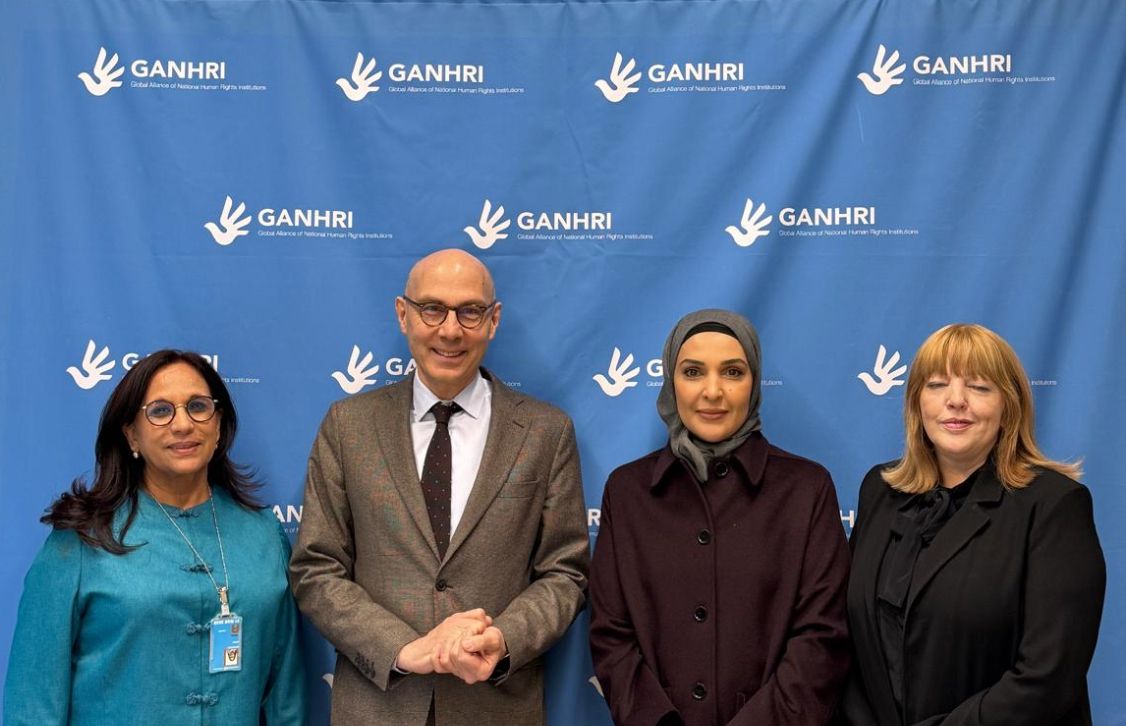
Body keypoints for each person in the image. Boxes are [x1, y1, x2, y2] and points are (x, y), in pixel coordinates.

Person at [289, 248, 590, 726]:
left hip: (495, 708)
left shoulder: (545, 432)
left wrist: (503, 639)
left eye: (470, 311)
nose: (450, 330)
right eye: (432, 309)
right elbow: (317, 569)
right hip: (377, 708)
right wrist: (407, 649)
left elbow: (565, 572)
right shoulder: (348, 427)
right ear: (403, 315)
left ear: (494, 320)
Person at [3, 350, 306, 725]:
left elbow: (286, 696)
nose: (183, 424)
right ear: (132, 433)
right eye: (160, 411)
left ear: (219, 425)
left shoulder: (263, 534)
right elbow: (32, 705)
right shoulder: (81, 540)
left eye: (198, 406)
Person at [589, 309, 851, 726]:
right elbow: (611, 636)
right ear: (670, 382)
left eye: (732, 372)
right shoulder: (627, 492)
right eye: (693, 372)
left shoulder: (806, 489)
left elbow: (823, 638)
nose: (713, 391)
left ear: (755, 384)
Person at [842, 323, 1106, 726]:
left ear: (1009, 406)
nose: (955, 401)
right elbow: (853, 644)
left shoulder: (1054, 505)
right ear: (916, 402)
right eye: (937, 384)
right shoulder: (878, 490)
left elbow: (1047, 677)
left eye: (979, 387)